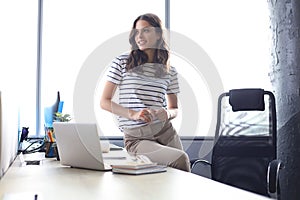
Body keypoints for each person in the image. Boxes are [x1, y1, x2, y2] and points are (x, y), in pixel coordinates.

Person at [100, 13, 190, 172]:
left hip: (166, 131)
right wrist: (133, 114)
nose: (139, 36)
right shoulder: (122, 62)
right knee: (181, 159)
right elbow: (104, 101)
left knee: (178, 175)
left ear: (158, 34)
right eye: (136, 32)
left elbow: (174, 108)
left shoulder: (169, 70)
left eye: (146, 31)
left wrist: (167, 114)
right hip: (137, 137)